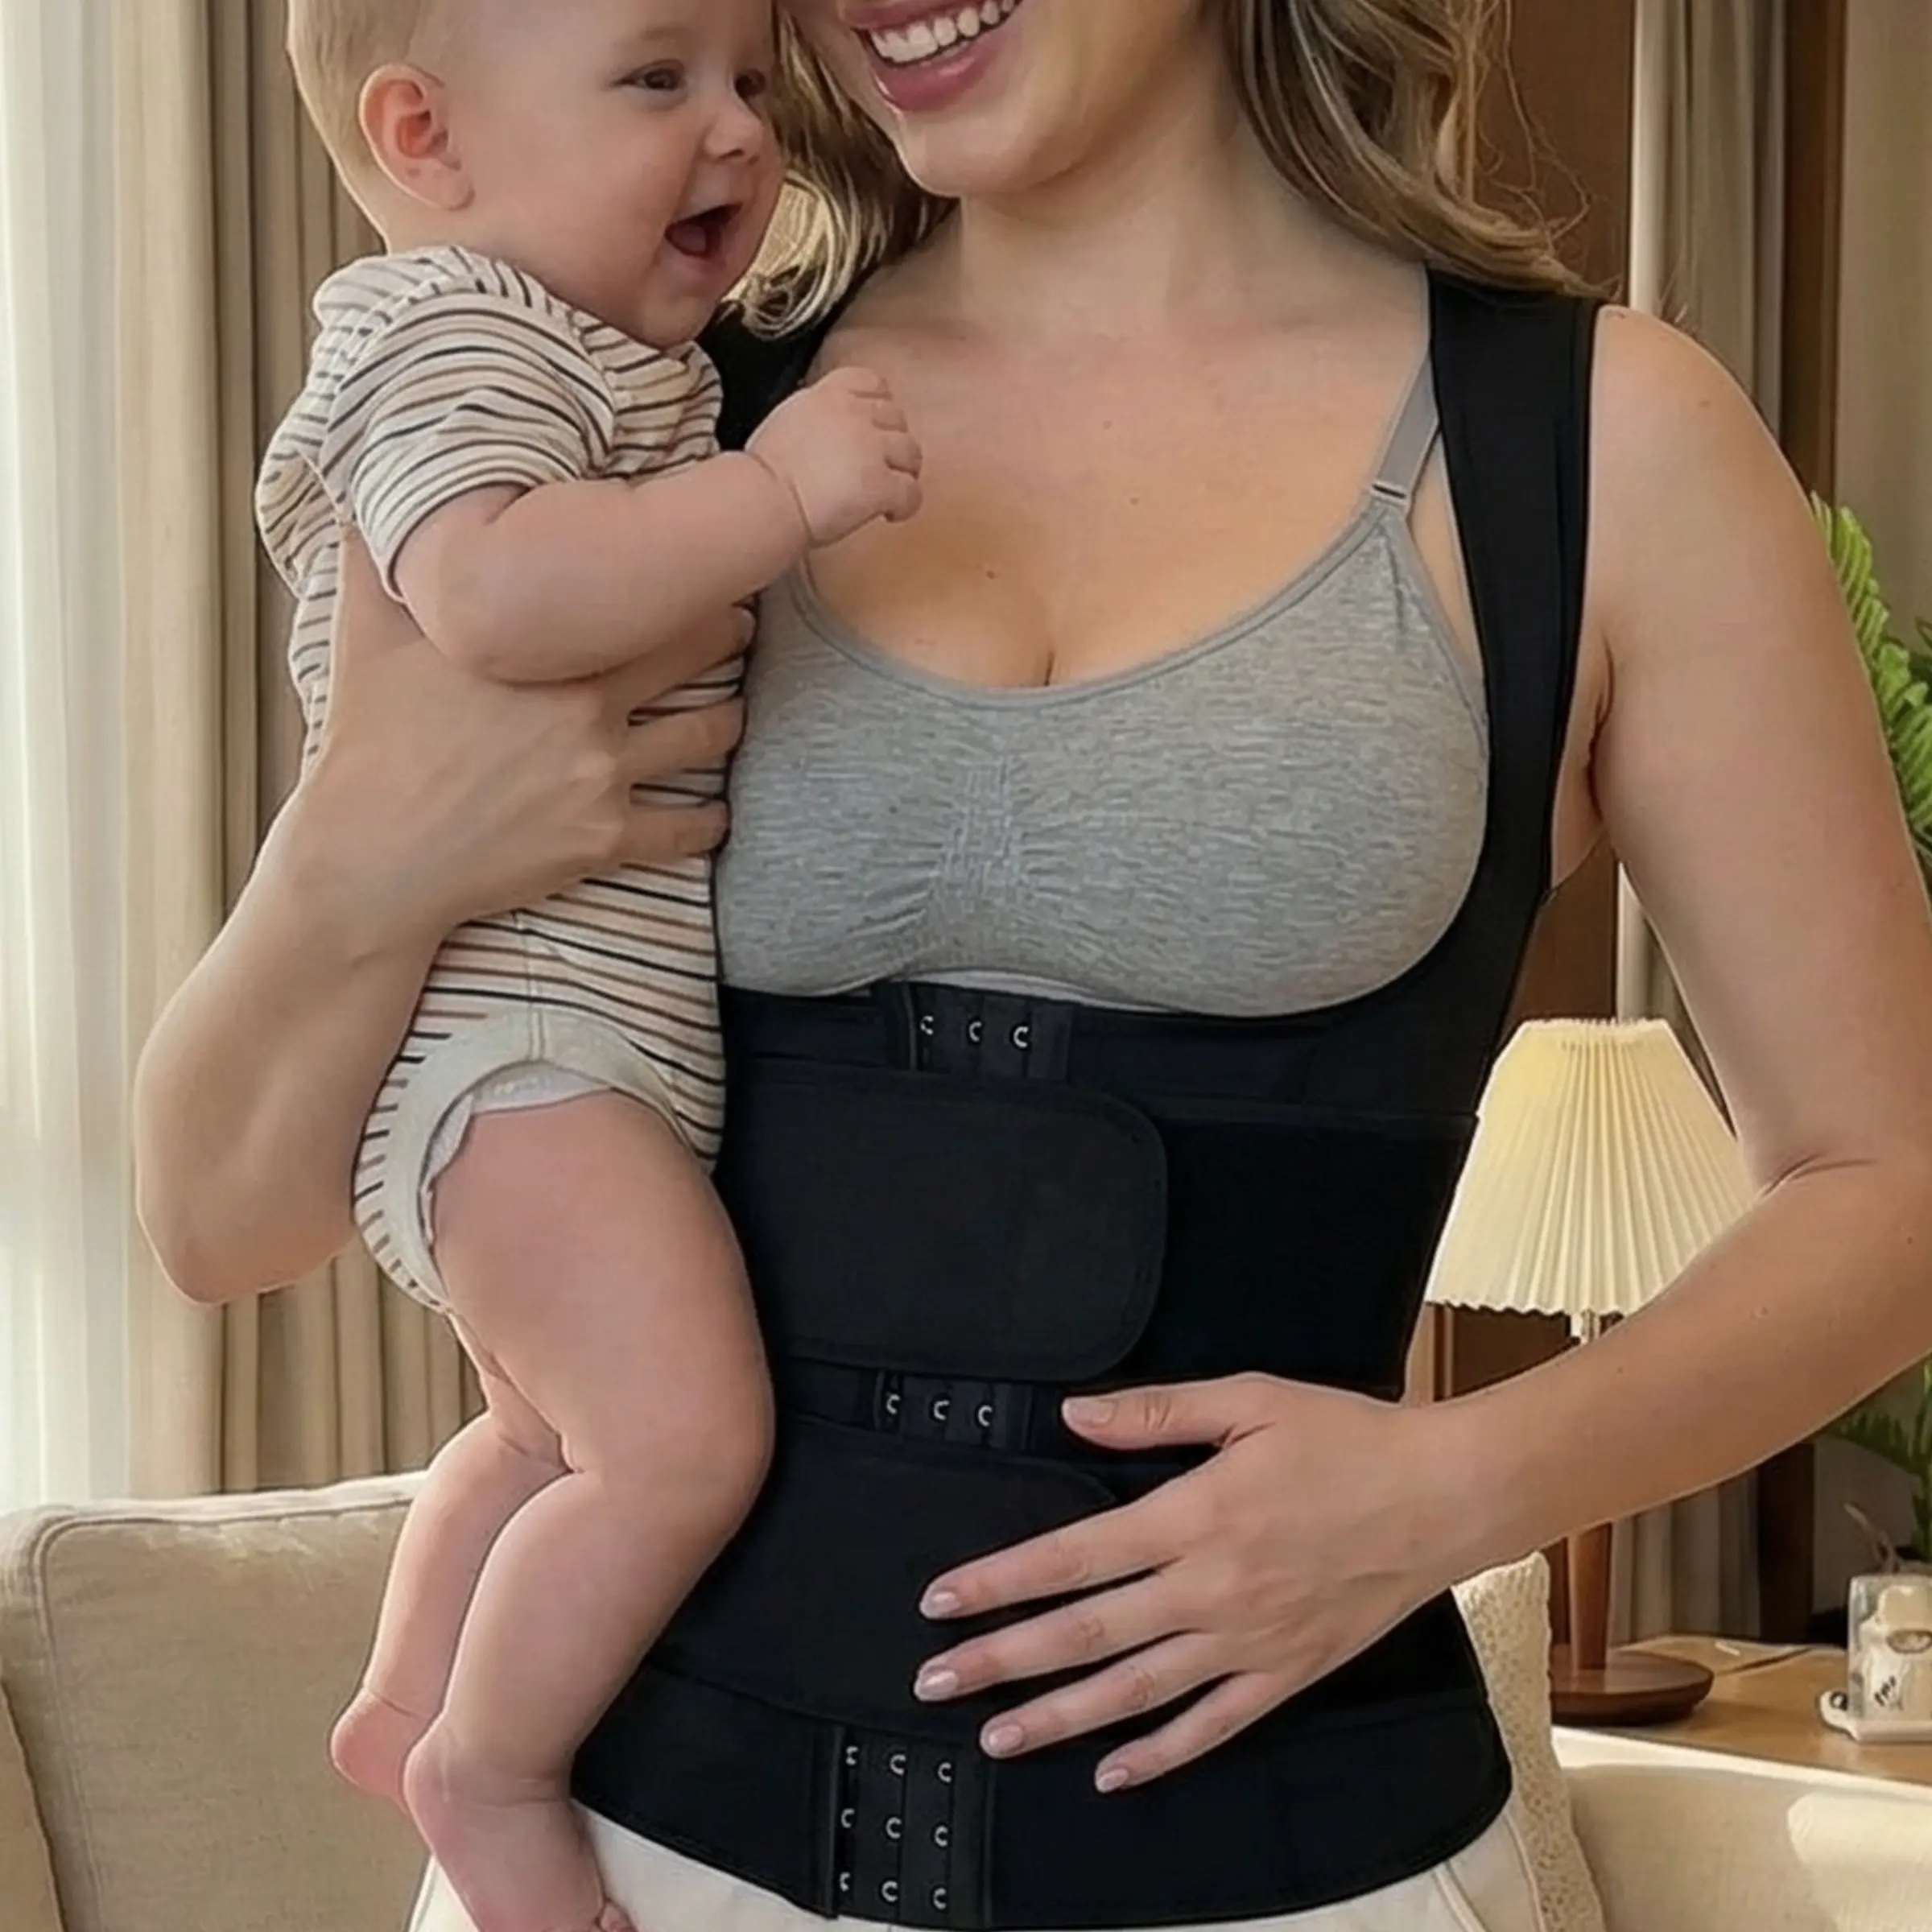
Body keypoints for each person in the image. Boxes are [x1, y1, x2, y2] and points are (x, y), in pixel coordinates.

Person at [136, 2, 1932, 1930]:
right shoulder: (676, 410)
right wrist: (356, 861)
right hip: (632, 1871)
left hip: (1293, 1875)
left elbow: (1889, 1183)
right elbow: (225, 1221)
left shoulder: (1589, 443)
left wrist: (1456, 1490)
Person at [260, 4, 919, 1930]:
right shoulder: (450, 330)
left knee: (550, 1437)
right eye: (655, 81)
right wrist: (778, 499)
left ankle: (406, 1697)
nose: (737, 132)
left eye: (750, 82)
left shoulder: (613, 355)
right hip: (516, 1045)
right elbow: (491, 592)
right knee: (685, 1443)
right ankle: (491, 1765)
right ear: (424, 138)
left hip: (554, 1054)